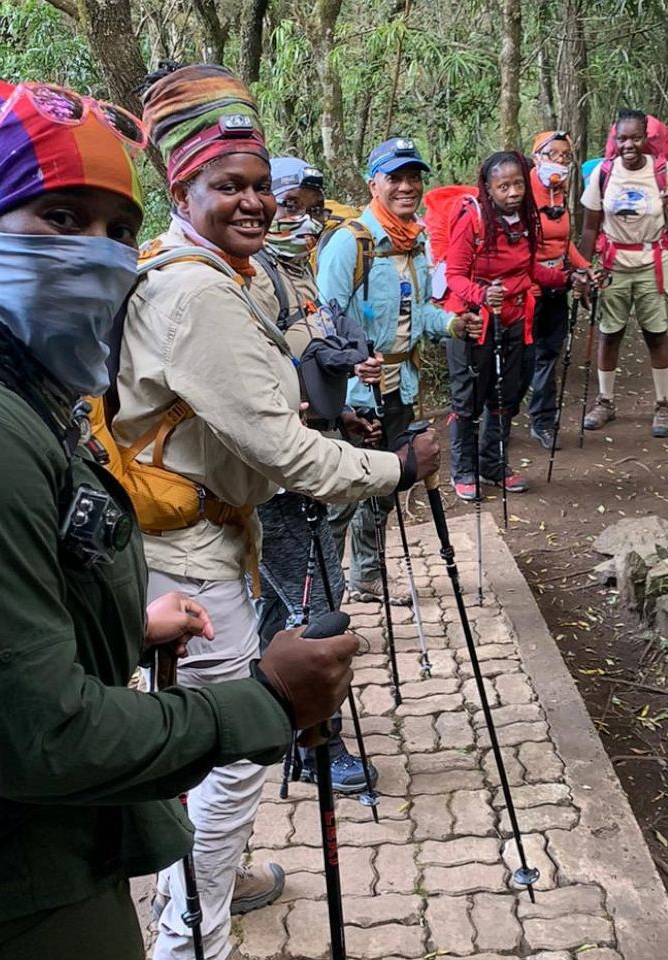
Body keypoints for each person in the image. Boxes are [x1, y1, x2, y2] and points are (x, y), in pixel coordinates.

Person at [0, 79, 361, 960]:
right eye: (60, 217)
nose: (98, 256)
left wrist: (123, 630)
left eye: (114, 228)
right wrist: (265, 702)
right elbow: (45, 739)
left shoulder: (0, 389)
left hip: (34, 869)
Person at [114, 64, 438, 960]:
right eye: (230, 186)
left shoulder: (226, 269)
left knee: (223, 745)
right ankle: (193, 934)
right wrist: (397, 467)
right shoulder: (196, 293)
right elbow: (286, 454)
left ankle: (210, 883)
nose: (254, 202)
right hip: (190, 559)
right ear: (183, 187)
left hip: (205, 537)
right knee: (232, 756)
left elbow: (281, 355)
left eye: (260, 184)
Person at [251, 156, 376, 795]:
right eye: (289, 203)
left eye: (310, 206)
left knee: (282, 598)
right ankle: (311, 741)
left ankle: (272, 722)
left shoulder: (297, 272)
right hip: (280, 473)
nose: (300, 217)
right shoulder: (251, 278)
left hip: (309, 451)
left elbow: (307, 363)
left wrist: (340, 416)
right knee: (314, 603)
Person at [316, 136, 480, 602]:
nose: (407, 186)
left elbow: (418, 314)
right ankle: (320, 593)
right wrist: (351, 365)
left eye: (414, 177)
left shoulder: (416, 243)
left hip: (399, 388)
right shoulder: (351, 244)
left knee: (386, 484)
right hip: (355, 396)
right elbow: (323, 320)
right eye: (396, 178)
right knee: (343, 492)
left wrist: (451, 323)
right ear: (374, 184)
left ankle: (367, 576)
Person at [443, 151, 571, 499]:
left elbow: (529, 271)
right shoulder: (473, 221)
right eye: (503, 186)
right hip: (474, 324)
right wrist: (483, 295)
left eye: (517, 184)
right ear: (488, 188)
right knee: (468, 401)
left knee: (505, 397)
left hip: (516, 321)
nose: (513, 192)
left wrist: (567, 279)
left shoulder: (528, 220)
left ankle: (493, 463)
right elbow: (453, 276)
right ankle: (464, 468)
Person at [579, 108, 668, 438]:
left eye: (636, 137)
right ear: (614, 139)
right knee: (611, 332)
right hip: (614, 263)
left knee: (656, 333)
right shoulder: (604, 173)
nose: (629, 145)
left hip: (653, 260)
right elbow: (590, 228)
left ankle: (663, 405)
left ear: (646, 139)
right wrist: (582, 272)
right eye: (622, 138)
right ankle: (605, 401)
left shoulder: (665, 172)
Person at [519, 131, 591, 451]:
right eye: (553, 154)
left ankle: (542, 422)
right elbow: (519, 250)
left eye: (566, 156)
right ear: (537, 156)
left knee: (549, 354)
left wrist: (585, 268)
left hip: (556, 288)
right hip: (526, 292)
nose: (560, 161)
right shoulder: (521, 193)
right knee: (520, 359)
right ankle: (496, 424)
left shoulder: (560, 193)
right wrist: (552, 278)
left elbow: (563, 244)